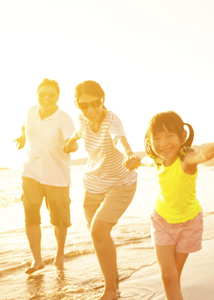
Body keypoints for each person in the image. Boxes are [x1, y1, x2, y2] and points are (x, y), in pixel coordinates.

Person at [132, 111, 214, 300]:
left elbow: (203, 155)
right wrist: (136, 162)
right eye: (156, 138)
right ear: (149, 141)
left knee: (173, 274)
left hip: (188, 224)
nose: (163, 143)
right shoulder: (158, 161)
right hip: (161, 221)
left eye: (169, 136)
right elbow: (145, 160)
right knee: (168, 276)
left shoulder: (185, 161)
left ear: (182, 136)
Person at [63, 80, 140, 300]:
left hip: (121, 183)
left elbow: (119, 138)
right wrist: (69, 144)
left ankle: (111, 290)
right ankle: (113, 276)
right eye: (83, 105)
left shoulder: (111, 121)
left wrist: (128, 154)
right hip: (93, 183)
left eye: (94, 103)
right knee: (96, 233)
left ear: (102, 99)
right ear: (77, 105)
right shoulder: (82, 118)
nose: (90, 109)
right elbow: (78, 133)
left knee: (98, 231)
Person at [14, 78, 75, 275]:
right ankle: (37, 260)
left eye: (51, 94)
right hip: (31, 172)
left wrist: (71, 146)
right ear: (37, 95)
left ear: (58, 97)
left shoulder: (63, 118)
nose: (46, 98)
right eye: (42, 94)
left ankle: (59, 254)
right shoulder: (31, 111)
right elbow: (25, 124)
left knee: (59, 220)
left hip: (56, 177)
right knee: (30, 216)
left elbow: (71, 141)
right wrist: (23, 136)